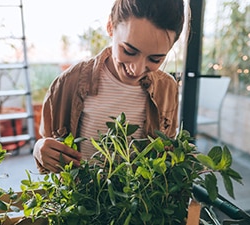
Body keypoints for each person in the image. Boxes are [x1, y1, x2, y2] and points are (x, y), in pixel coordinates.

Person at [33, 0, 187, 173]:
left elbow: (168, 149)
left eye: (155, 59)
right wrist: (39, 149)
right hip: (82, 197)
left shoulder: (167, 88)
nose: (136, 69)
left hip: (141, 200)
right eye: (129, 51)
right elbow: (46, 142)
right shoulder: (69, 82)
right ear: (110, 27)